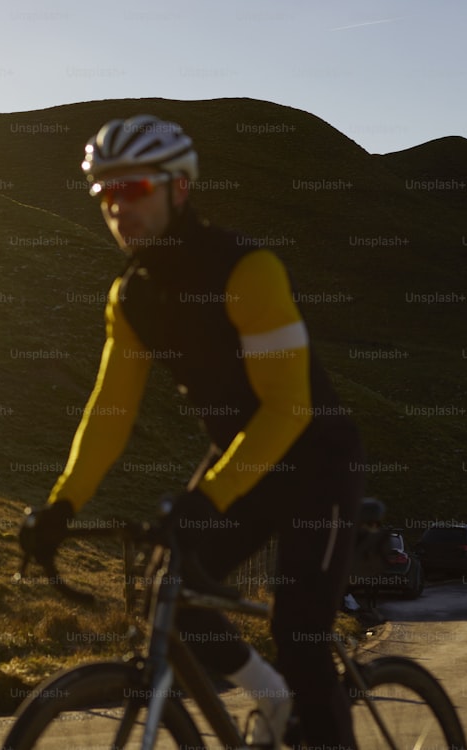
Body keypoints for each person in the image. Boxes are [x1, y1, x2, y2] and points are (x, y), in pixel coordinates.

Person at [20, 114, 365, 748]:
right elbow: (110, 412)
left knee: (301, 637)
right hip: (241, 457)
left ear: (180, 189)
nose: (118, 209)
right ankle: (272, 699)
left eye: (135, 191)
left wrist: (207, 497)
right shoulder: (131, 298)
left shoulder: (247, 270)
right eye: (106, 195)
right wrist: (62, 503)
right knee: (171, 593)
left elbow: (288, 410)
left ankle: (308, 708)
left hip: (315, 460)